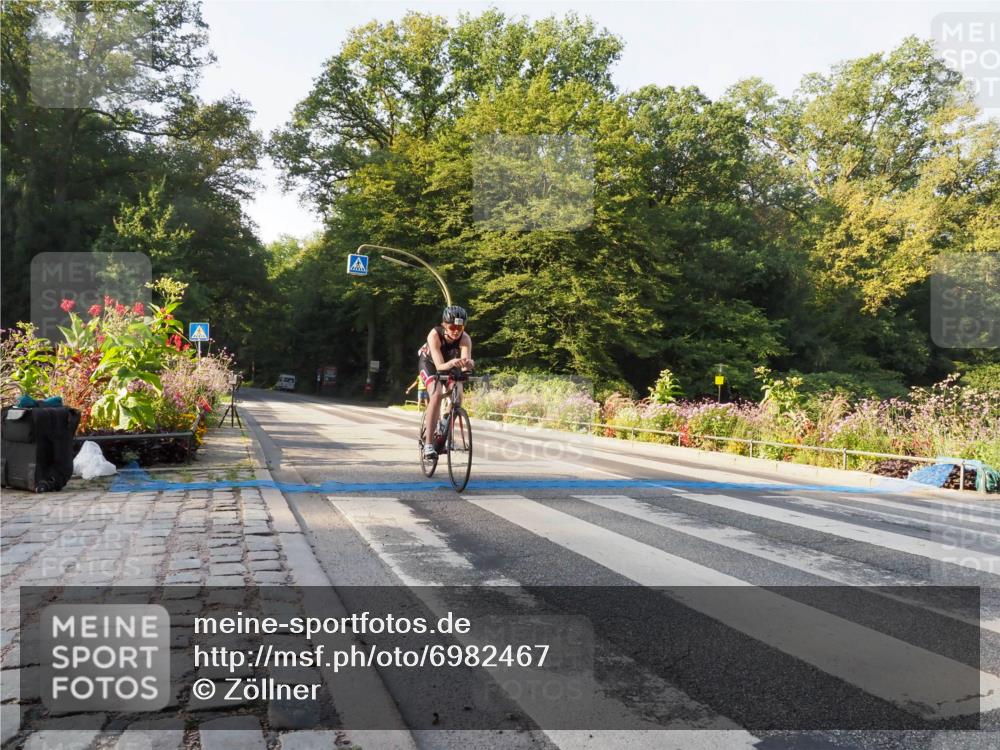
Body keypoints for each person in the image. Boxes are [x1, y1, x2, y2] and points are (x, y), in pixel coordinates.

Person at [419, 305, 474, 458]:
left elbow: (465, 364)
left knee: (458, 396)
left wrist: (469, 365)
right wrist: (455, 363)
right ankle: (429, 445)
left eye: (460, 327)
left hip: (451, 363)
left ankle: (444, 424)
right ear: (444, 325)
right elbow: (440, 366)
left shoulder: (465, 338)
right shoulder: (434, 335)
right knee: (436, 394)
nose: (456, 331)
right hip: (431, 363)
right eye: (452, 326)